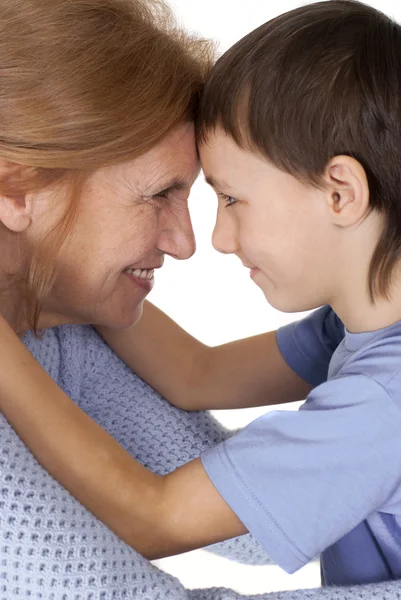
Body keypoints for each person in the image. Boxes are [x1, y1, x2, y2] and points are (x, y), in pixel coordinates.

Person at [3, 0, 401, 595]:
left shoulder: (383, 397)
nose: (202, 242)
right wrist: (69, 282)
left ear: (340, 193)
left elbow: (158, 516)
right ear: (16, 190)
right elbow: (197, 372)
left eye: (231, 199)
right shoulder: (349, 328)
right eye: (161, 193)